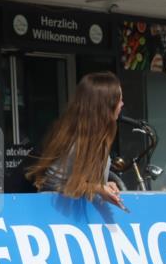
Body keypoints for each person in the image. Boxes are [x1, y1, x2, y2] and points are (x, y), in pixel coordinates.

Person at [25, 71, 125, 209]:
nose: (122, 104)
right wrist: (98, 188)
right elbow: (58, 185)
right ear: (106, 105)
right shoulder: (76, 142)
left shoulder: (95, 138)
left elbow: (79, 183)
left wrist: (103, 186)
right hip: (55, 217)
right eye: (119, 100)